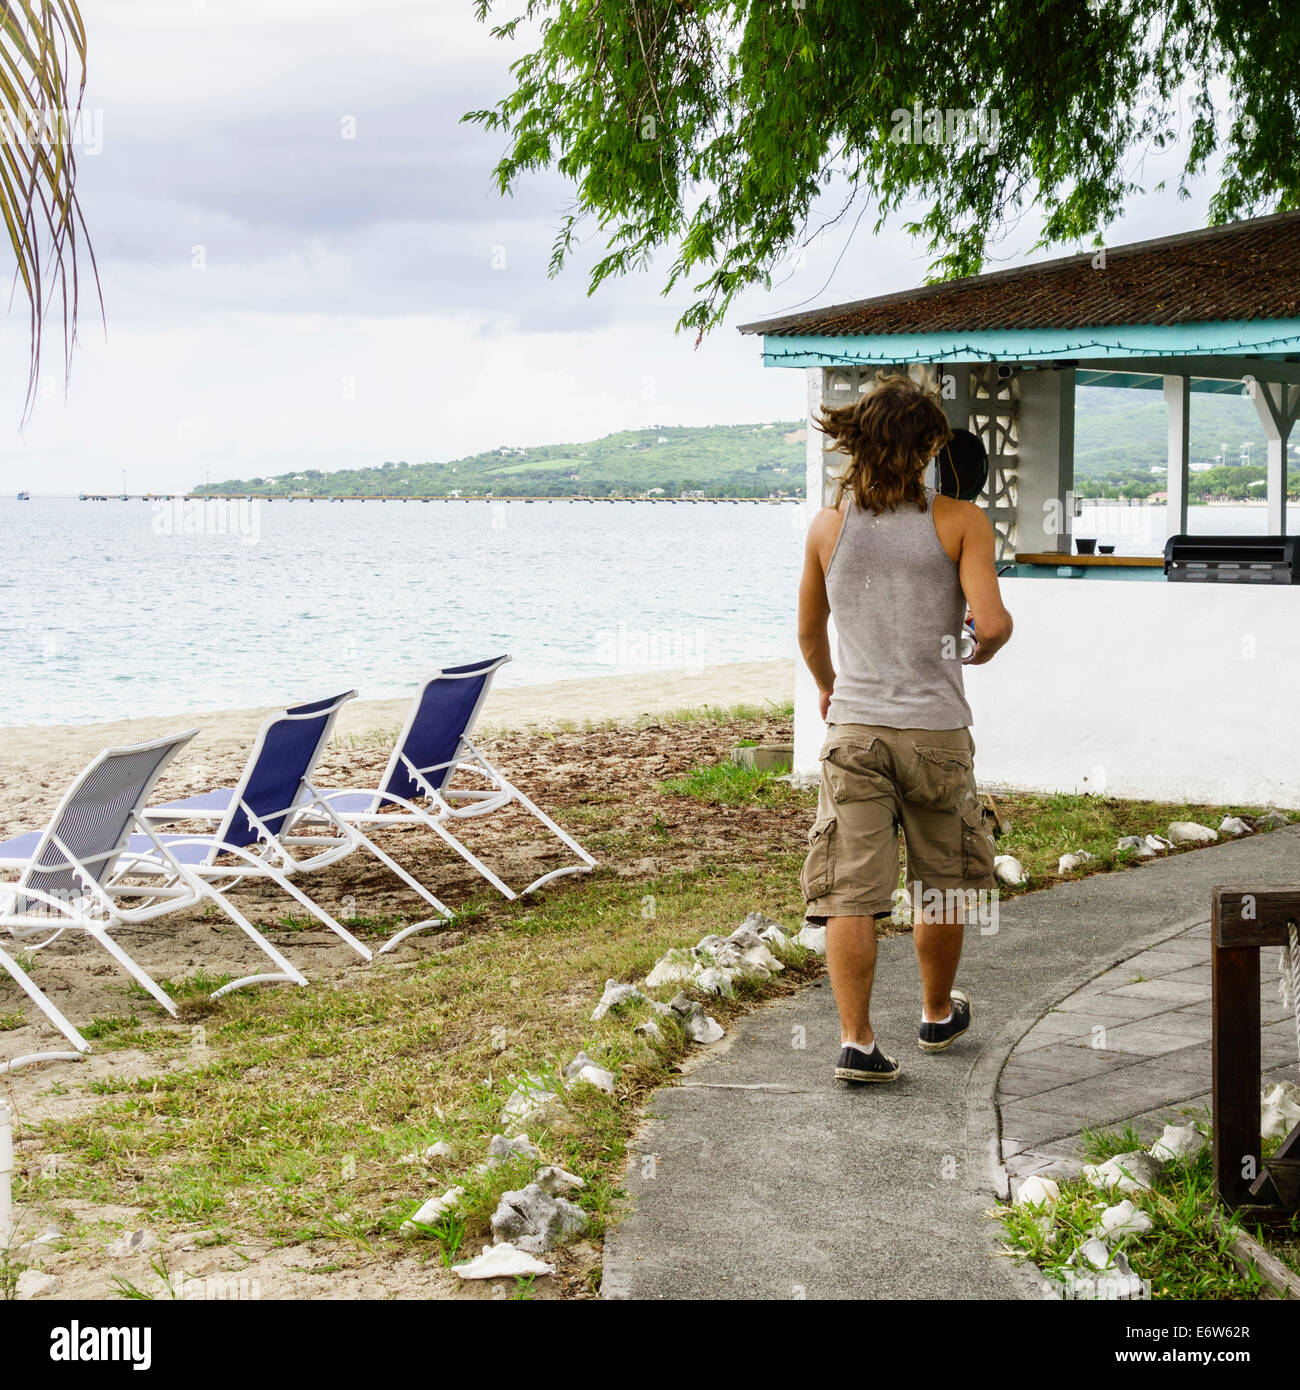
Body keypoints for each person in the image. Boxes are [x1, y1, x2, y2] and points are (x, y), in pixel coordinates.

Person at [796, 371, 1014, 1084]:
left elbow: (808, 632)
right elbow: (995, 624)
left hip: (854, 732)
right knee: (942, 881)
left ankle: (856, 1042)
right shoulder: (960, 521)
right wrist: (974, 645)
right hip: (936, 733)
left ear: (855, 442)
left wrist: (832, 689)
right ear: (927, 446)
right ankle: (935, 1012)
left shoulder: (829, 528)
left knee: (851, 890)